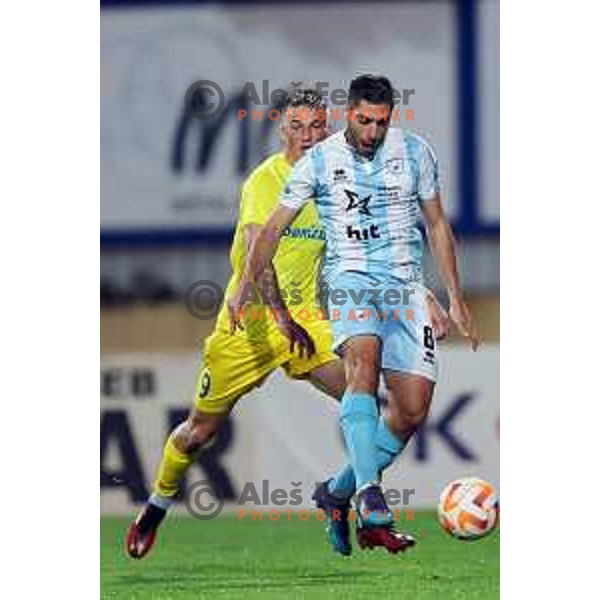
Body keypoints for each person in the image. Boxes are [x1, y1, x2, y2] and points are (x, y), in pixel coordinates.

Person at [127, 88, 448, 559]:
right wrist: (280, 318)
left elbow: (376, 245)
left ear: (328, 126)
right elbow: (262, 253)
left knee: (374, 407)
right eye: (297, 127)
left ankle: (350, 501)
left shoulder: (338, 178)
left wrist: (421, 293)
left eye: (317, 125)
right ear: (282, 129)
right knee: (198, 432)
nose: (308, 135)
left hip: (308, 321)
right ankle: (155, 506)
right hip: (251, 323)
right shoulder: (266, 180)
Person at [229, 75, 479, 553]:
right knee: (362, 368)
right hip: (351, 283)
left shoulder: (416, 153)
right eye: (364, 120)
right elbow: (272, 231)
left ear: (391, 117)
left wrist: (454, 297)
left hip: (405, 288)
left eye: (381, 122)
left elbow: (438, 224)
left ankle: (336, 492)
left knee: (410, 412)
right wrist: (245, 285)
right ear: (349, 114)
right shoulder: (320, 162)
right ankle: (371, 499)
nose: (372, 131)